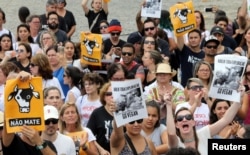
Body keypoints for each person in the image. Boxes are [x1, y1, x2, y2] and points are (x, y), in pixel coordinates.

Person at [165, 83, 245, 155]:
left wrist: (239, 97)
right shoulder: (175, 142)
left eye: (188, 117)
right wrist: (168, 105)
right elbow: (171, 133)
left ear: (193, 122)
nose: (184, 119)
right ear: (176, 125)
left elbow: (226, 119)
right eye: (180, 118)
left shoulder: (203, 133)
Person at [87, 82, 113, 154]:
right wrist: (101, 150)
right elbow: (88, 135)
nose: (112, 96)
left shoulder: (124, 112)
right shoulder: (97, 113)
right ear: (103, 97)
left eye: (115, 93)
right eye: (108, 94)